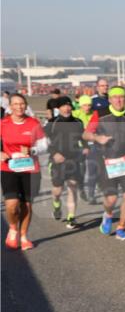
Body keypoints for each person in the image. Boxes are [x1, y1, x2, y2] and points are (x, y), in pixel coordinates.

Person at [83, 86, 125, 240]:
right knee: (111, 199)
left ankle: (121, 228)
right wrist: (97, 138)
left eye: (121, 97)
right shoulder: (100, 114)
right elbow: (86, 134)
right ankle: (108, 215)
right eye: (115, 97)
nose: (118, 100)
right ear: (110, 99)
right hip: (106, 161)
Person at [1, 93, 47, 249]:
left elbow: (44, 145)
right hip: (9, 167)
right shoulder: (3, 123)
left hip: (30, 169)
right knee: (12, 204)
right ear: (10, 106)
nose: (19, 107)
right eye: (15, 104)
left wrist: (32, 150)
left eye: (21, 103)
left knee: (27, 204)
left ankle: (23, 236)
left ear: (26, 105)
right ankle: (13, 228)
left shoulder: (33, 123)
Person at [47, 96, 86, 228]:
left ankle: (71, 217)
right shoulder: (52, 123)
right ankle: (56, 205)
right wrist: (54, 153)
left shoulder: (78, 122)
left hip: (74, 160)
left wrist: (86, 147)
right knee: (57, 191)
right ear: (58, 108)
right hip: (57, 161)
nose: (67, 108)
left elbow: (83, 138)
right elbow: (43, 141)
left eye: (69, 105)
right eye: (63, 105)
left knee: (72, 187)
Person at [72, 95, 98, 203]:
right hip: (79, 145)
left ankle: (91, 194)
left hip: (92, 144)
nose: (87, 107)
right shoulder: (75, 114)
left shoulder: (95, 114)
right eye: (85, 105)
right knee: (82, 170)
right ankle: (81, 189)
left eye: (89, 105)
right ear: (80, 105)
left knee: (93, 169)